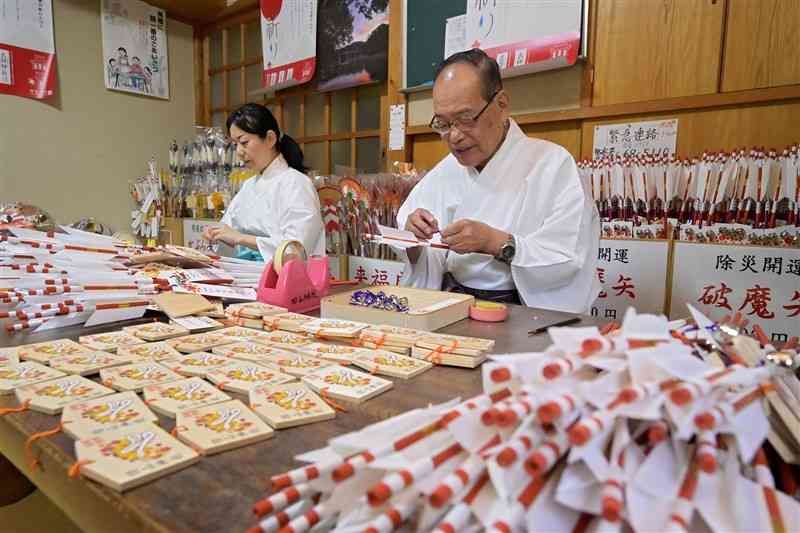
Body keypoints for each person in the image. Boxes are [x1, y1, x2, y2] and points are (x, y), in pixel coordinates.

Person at [396, 49, 599, 312]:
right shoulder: (445, 172)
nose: (454, 136)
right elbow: (416, 251)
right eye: (443, 124)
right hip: (452, 308)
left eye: (466, 119)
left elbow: (569, 257)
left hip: (525, 314)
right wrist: (415, 238)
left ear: (501, 105)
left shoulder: (553, 165)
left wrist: (495, 242)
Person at [203, 103, 325, 262]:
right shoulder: (249, 185)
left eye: (244, 142)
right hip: (247, 274)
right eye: (235, 144)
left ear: (270, 139)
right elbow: (228, 228)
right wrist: (214, 232)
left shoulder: (297, 183)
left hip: (282, 278)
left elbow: (296, 248)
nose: (239, 152)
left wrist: (241, 239)